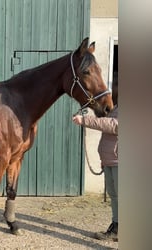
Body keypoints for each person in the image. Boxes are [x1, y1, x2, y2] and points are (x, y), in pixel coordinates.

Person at [72, 71, 118, 241]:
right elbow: (106, 120)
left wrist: (86, 121)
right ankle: (116, 226)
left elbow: (114, 126)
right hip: (111, 159)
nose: (113, 91)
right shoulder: (116, 108)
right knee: (114, 195)